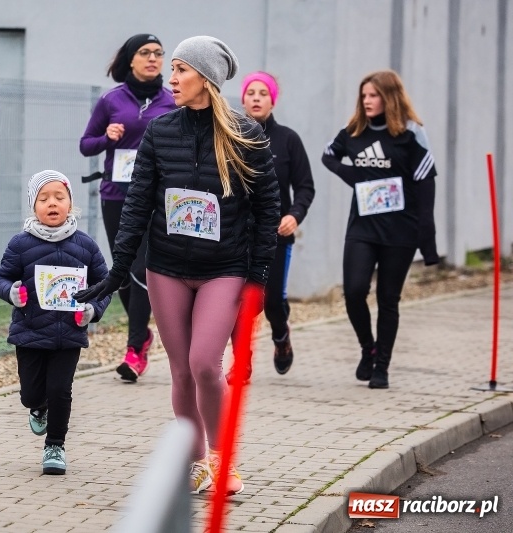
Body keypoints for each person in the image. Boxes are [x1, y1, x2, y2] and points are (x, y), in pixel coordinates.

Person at [75, 36, 280, 495]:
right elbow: (137, 205)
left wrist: (258, 278)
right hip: (166, 267)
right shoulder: (160, 131)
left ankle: (222, 458)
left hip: (223, 268)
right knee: (181, 370)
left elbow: (268, 209)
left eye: (181, 69)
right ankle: (197, 462)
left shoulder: (245, 133)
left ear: (205, 79)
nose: (171, 77)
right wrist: (117, 269)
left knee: (205, 363)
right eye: (172, 68)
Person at [321, 70, 439, 390]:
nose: (367, 101)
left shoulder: (411, 132)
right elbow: (328, 155)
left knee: (388, 299)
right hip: (362, 227)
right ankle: (368, 348)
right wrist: (351, 175)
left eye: (374, 95)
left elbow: (426, 181)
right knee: (354, 291)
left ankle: (382, 366)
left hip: (401, 231)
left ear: (390, 97)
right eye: (364, 95)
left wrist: (426, 235)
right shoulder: (354, 131)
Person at [0, 170, 112, 475]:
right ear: (33, 205)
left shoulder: (85, 245)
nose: (52, 203)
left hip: (69, 334)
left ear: (70, 203)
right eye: (44, 198)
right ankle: (38, 406)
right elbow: (1, 277)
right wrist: (12, 293)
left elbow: (104, 284)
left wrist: (92, 310)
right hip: (30, 332)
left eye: (60, 197)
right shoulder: (20, 244)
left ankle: (55, 446)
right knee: (31, 394)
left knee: (60, 390)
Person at [79, 33, 176, 382]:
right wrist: (107, 138)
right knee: (122, 270)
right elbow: (86, 145)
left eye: (158, 53)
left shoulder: (172, 101)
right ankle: (142, 334)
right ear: (131, 59)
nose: (153, 58)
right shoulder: (111, 100)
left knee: (140, 267)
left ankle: (135, 349)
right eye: (145, 52)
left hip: (155, 197)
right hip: (116, 195)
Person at [232, 71, 316, 376]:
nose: (256, 98)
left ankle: (281, 336)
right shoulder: (231, 135)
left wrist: (294, 215)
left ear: (273, 101)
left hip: (276, 235)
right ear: (243, 99)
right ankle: (242, 361)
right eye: (251, 93)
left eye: (263, 93)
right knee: (242, 300)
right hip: (238, 234)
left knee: (272, 303)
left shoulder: (288, 140)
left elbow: (305, 186)